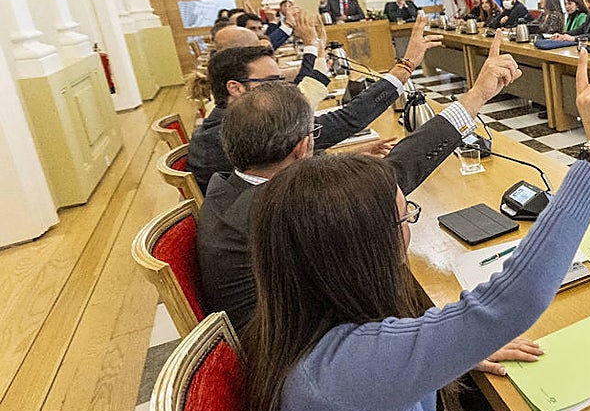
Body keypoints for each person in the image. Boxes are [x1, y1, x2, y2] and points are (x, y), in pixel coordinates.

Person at [244, 48, 590, 411]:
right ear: (360, 252)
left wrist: (447, 353)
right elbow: (516, 298)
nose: (407, 231)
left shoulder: (291, 330)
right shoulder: (360, 365)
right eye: (405, 219)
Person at [198, 31, 520, 332]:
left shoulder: (227, 188)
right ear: (301, 148)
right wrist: (477, 96)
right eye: (314, 138)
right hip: (312, 352)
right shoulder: (289, 207)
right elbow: (392, 175)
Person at [187, 14, 442, 193]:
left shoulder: (227, 122)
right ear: (235, 87)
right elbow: (346, 120)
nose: (281, 88)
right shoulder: (244, 132)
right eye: (272, 81)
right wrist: (406, 64)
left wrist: (348, 157)